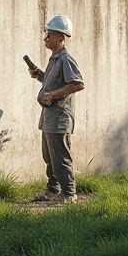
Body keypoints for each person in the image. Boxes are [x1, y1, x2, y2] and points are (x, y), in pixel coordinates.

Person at [28, 15, 85, 204]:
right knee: (50, 158)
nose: (46, 38)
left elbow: (77, 84)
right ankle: (53, 191)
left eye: (49, 34)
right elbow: (54, 83)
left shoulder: (66, 59)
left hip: (60, 119)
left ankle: (69, 195)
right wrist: (40, 76)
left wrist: (51, 95)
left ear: (61, 38)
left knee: (60, 157)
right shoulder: (54, 59)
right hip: (49, 117)